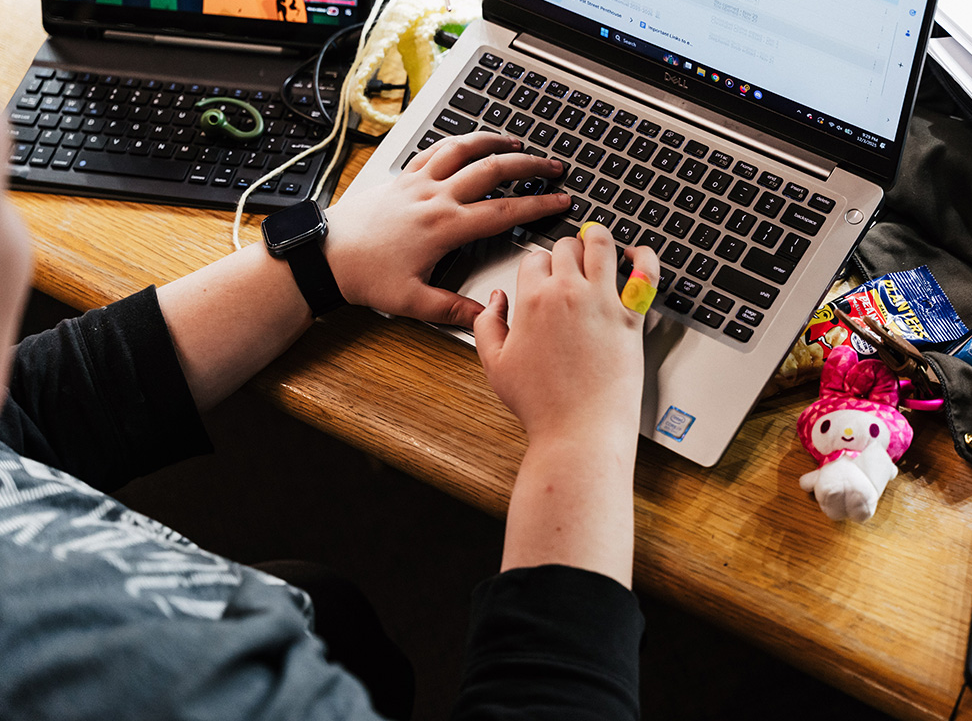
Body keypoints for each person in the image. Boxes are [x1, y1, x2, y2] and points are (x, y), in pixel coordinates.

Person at [0, 130, 656, 720]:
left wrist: (321, 258)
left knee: (327, 606)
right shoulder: (179, 684)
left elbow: (30, 415)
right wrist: (580, 430)